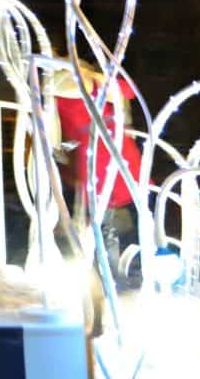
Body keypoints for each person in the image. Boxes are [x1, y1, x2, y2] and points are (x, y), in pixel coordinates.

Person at [52, 59, 142, 285]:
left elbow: (129, 90)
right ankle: (108, 275)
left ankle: (116, 274)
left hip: (114, 157)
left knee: (108, 222)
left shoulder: (90, 85)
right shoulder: (64, 89)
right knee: (100, 223)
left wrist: (96, 79)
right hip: (98, 160)